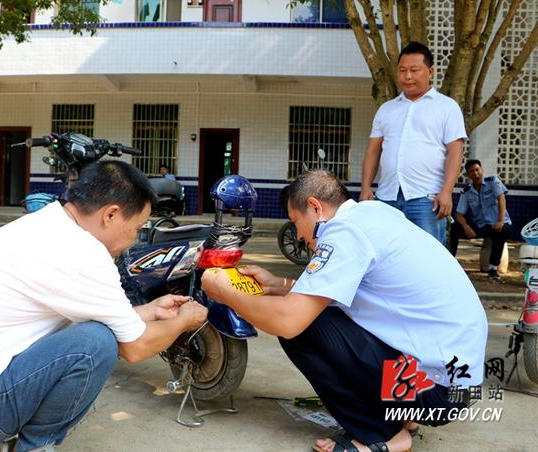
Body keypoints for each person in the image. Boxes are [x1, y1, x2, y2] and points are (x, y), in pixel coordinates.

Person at [0, 161, 207, 452]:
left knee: (95, 333)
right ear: (111, 215)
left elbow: (110, 316)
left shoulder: (48, 225)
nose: (133, 240)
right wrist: (184, 320)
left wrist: (152, 309)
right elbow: (135, 347)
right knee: (96, 343)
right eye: (137, 227)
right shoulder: (81, 254)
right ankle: (35, 446)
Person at [202, 170, 487, 452]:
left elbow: (287, 321)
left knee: (302, 329)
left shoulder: (344, 233)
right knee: (320, 314)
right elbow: (335, 294)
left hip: (437, 394)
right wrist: (277, 285)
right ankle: (404, 416)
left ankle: (382, 434)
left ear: (315, 207)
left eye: (296, 222)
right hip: (455, 384)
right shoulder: (372, 214)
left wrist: (227, 293)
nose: (299, 236)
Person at [360, 41, 467, 245]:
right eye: (402, 70)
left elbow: (455, 152)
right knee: (386, 258)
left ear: (430, 71)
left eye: (414, 70)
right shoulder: (386, 109)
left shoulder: (447, 108)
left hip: (427, 199)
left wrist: (446, 192)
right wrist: (366, 187)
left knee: (428, 260)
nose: (407, 76)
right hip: (387, 198)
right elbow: (373, 151)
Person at [449, 159, 512, 280]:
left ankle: (493, 268)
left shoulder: (493, 181)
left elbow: (501, 199)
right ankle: (450, 262)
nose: (475, 173)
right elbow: (459, 214)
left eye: (477, 170)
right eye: (472, 171)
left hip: (498, 223)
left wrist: (500, 221)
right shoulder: (467, 191)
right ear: (468, 175)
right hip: (482, 226)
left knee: (503, 231)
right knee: (455, 228)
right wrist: (466, 227)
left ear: (482, 170)